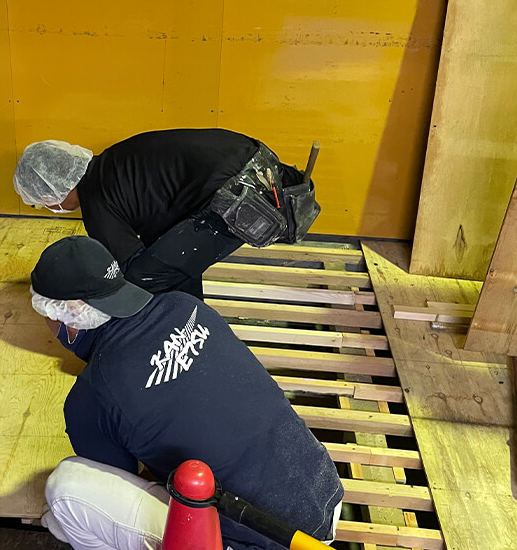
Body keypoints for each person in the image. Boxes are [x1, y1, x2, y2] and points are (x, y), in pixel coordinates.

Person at [30, 236, 343, 550]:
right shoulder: (183, 304)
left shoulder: (92, 395)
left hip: (260, 544)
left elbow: (121, 478)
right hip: (324, 496)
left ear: (65, 318)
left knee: (65, 490)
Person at [13, 129, 320, 299]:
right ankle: (192, 308)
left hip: (240, 196)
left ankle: (182, 335)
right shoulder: (113, 159)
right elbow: (161, 226)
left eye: (44, 201)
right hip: (260, 162)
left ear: (53, 190)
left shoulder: (96, 204)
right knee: (168, 253)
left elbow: (134, 271)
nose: (51, 207)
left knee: (145, 275)